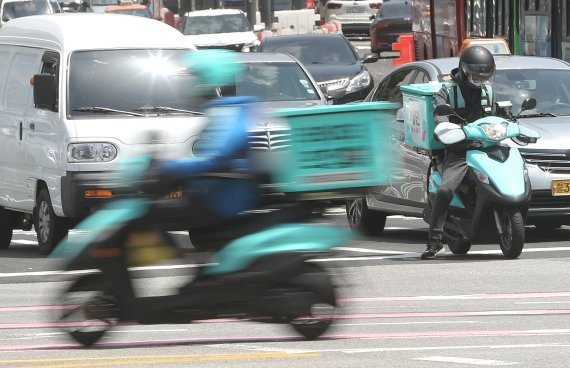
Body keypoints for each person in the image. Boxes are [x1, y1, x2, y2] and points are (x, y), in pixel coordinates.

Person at [421, 45, 496, 259]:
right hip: (459, 151)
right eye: (476, 73)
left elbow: (497, 113)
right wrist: (444, 126)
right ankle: (434, 241)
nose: (481, 78)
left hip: (486, 148)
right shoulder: (447, 91)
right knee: (445, 190)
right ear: (464, 70)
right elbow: (440, 115)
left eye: (485, 73)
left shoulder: (489, 90)